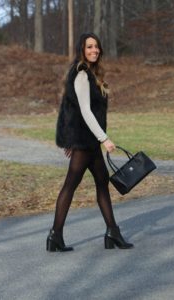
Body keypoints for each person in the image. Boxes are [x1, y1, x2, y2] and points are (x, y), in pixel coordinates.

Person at [46, 32, 133, 251]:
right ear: (82, 50)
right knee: (71, 185)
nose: (94, 50)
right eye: (89, 47)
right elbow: (83, 110)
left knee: (102, 182)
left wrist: (70, 138)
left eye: (96, 47)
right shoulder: (82, 74)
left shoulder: (91, 74)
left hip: (86, 141)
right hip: (87, 141)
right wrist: (104, 139)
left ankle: (112, 232)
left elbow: (70, 108)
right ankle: (56, 235)